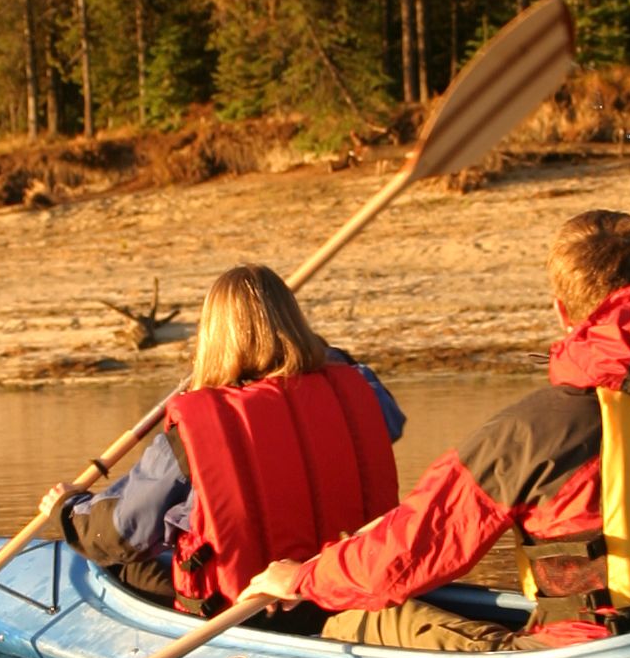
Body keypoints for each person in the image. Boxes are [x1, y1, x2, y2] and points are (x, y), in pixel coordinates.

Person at [253, 208, 630, 650]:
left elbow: (410, 554)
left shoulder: (539, 428)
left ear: (561, 309)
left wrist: (300, 579)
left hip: (591, 647)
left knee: (352, 621)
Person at [40, 263, 404, 614]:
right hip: (353, 585)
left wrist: (69, 511)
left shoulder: (197, 430)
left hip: (250, 608)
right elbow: (391, 421)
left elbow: (122, 533)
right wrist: (319, 352)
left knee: (120, 561)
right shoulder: (360, 390)